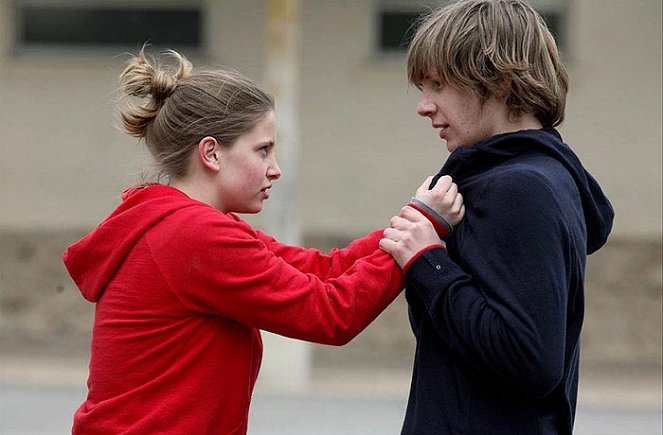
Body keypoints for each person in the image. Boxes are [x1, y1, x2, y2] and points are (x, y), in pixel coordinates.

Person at [61, 49, 464, 434]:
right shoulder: (195, 236)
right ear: (212, 154)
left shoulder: (186, 223)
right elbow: (329, 313)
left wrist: (413, 222)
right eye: (263, 151)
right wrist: (421, 229)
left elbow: (321, 270)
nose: (275, 170)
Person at [379, 0, 615, 433]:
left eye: (437, 85)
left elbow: (529, 358)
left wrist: (427, 260)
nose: (424, 106)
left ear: (500, 81)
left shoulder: (519, 188)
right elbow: (454, 342)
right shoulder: (530, 178)